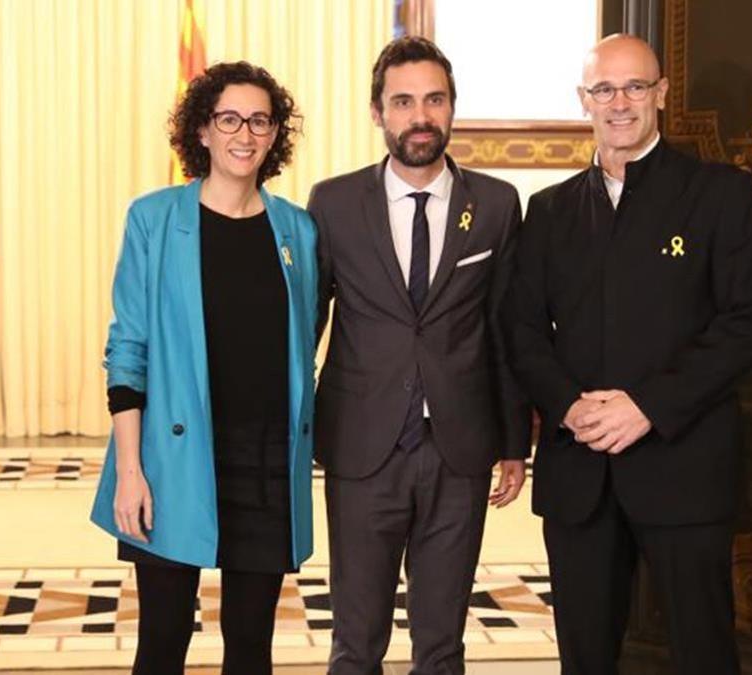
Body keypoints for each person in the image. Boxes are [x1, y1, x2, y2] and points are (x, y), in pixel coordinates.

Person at [501, 35, 752, 674]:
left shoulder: (721, 195)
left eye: (634, 87)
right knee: (585, 658)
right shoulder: (549, 210)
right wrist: (567, 408)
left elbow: (747, 326)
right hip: (579, 474)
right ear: (583, 101)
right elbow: (520, 330)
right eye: (604, 89)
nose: (619, 102)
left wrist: (647, 406)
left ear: (661, 95)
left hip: (685, 465)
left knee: (704, 652)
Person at [307, 36, 532, 675]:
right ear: (377, 112)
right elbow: (306, 327)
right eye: (402, 102)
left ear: (453, 108)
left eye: (434, 99)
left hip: (457, 450)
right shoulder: (333, 203)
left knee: (441, 645)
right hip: (361, 446)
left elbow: (505, 331)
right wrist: (291, 436)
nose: (420, 116)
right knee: (355, 642)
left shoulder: (494, 204)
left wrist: (515, 442)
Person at [88, 61, 317, 675]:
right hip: (171, 462)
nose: (244, 134)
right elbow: (127, 348)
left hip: (266, 465)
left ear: (275, 135)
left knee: (250, 646)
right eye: (229, 119)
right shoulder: (154, 220)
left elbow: (305, 341)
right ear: (204, 131)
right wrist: (131, 471)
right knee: (162, 643)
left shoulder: (298, 230)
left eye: (259, 121)